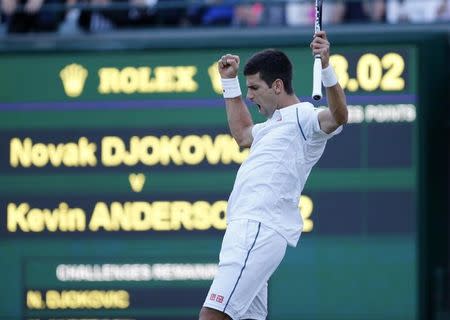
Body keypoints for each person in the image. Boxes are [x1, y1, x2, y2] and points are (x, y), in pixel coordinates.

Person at [199, 30, 347, 320]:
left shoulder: (306, 117)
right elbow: (242, 134)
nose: (250, 95)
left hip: (259, 227)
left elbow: (339, 116)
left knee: (212, 315)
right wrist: (230, 82)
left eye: (254, 88)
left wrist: (326, 66)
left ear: (277, 86)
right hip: (245, 228)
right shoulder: (269, 126)